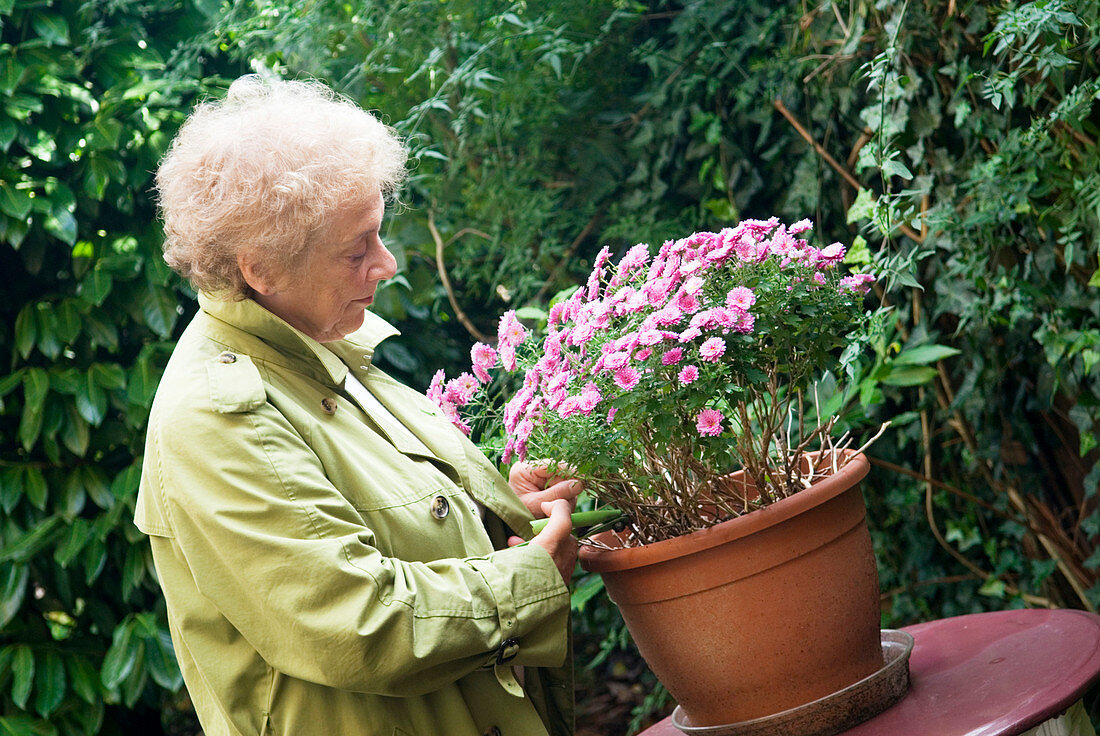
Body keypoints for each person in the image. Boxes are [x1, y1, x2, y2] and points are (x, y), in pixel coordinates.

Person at [134, 75, 582, 736]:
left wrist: (500, 511)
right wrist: (529, 579)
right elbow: (357, 623)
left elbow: (396, 523)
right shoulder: (217, 417)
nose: (388, 262)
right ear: (260, 269)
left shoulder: (321, 343)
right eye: (356, 249)